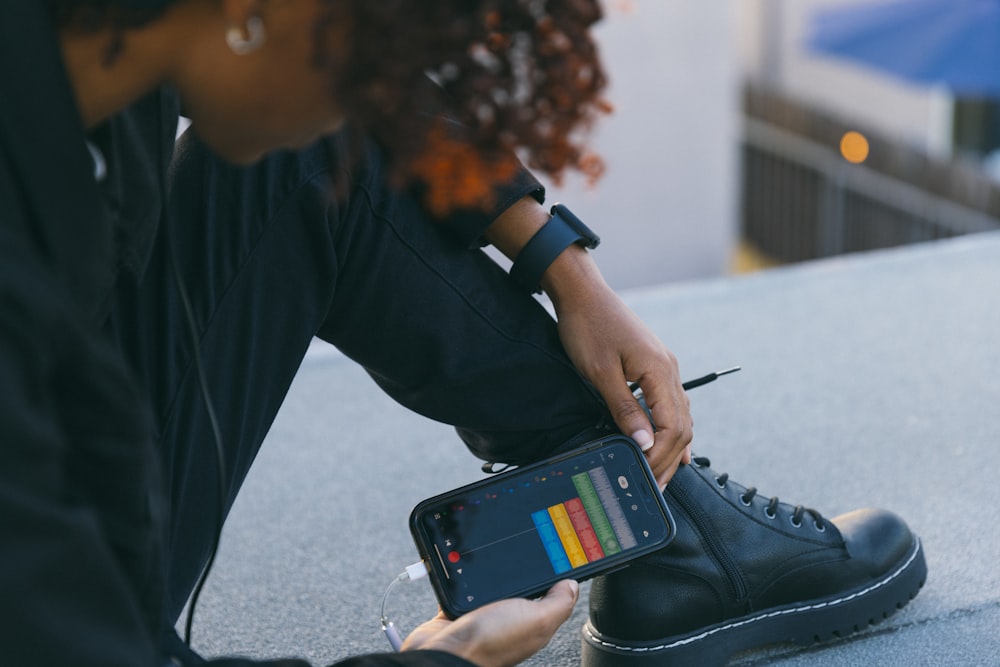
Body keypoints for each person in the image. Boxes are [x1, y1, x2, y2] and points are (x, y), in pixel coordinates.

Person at [0, 1, 925, 667]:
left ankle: (660, 530)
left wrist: (564, 267)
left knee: (304, 156)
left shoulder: (110, 38)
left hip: (76, 431)